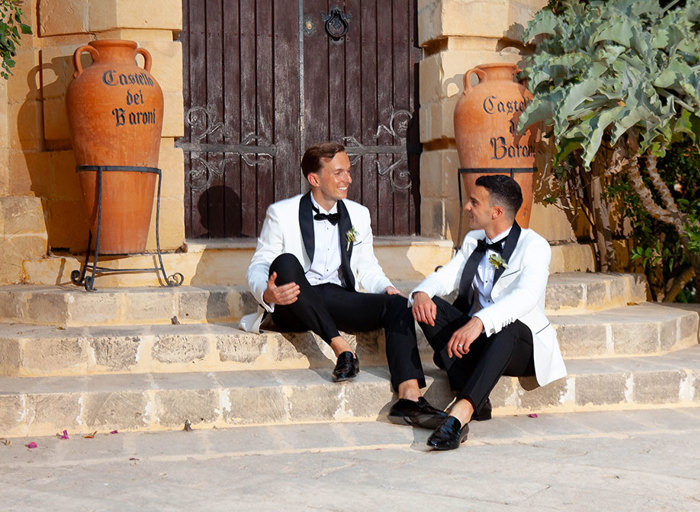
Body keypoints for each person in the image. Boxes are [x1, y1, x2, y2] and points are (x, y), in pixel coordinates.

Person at [239, 142, 446, 429]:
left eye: (348, 172)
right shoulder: (282, 213)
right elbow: (259, 264)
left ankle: (409, 399)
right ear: (314, 179)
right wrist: (266, 292)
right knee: (285, 262)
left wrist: (386, 288)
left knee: (398, 303)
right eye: (338, 173)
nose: (347, 179)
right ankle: (342, 349)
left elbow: (367, 266)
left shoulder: (358, 214)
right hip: (294, 302)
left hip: (336, 298)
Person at [386, 174, 567, 450]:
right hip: (480, 341)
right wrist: (422, 293)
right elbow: (447, 276)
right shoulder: (473, 240)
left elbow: (526, 297)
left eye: (474, 202)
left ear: (496, 211)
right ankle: (469, 391)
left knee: (508, 327)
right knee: (430, 307)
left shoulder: (535, 246)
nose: (467, 207)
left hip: (520, 347)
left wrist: (480, 321)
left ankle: (461, 414)